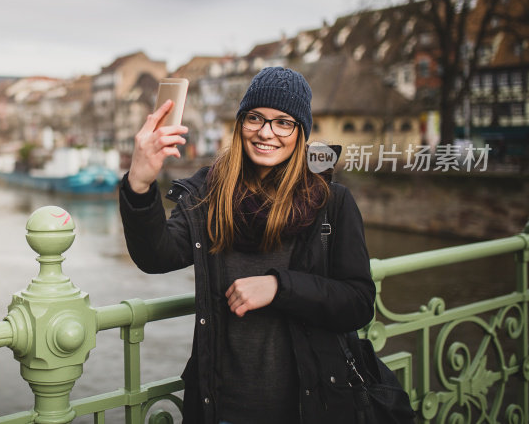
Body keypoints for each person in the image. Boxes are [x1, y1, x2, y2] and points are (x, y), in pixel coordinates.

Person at [119, 66, 376, 424]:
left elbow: (359, 303)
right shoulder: (209, 192)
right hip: (221, 406)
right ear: (241, 124)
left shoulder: (330, 201)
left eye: (283, 122)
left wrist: (280, 286)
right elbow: (156, 256)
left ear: (300, 132)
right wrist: (139, 183)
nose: (266, 132)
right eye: (255, 118)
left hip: (310, 406)